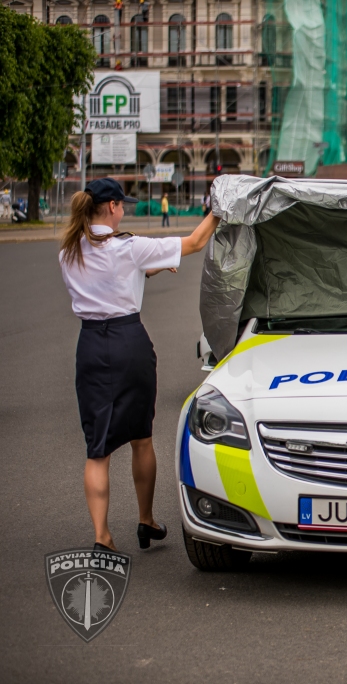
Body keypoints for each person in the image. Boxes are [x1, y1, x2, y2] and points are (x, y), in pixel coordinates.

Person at [58, 178, 220, 552]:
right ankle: (145, 521)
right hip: (129, 342)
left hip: (91, 347)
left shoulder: (70, 250)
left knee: (97, 448)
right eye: (122, 205)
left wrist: (151, 269)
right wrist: (220, 210)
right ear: (113, 206)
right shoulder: (129, 247)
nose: (124, 210)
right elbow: (195, 242)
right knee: (141, 437)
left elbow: (108, 278)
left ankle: (102, 535)